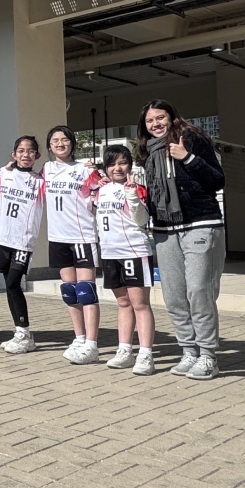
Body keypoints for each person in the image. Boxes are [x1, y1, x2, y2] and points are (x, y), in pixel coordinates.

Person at [136, 99, 226, 381]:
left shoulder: (192, 139)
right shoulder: (147, 152)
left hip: (200, 224)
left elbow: (217, 180)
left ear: (172, 117)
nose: (155, 124)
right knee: (174, 295)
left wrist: (187, 157)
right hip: (164, 229)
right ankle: (188, 351)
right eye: (150, 121)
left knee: (198, 291)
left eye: (160, 118)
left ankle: (208, 355)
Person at [92, 145, 157, 376]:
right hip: (110, 253)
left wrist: (132, 195)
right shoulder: (101, 190)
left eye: (122, 163)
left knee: (140, 304)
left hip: (134, 251)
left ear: (130, 165)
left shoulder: (138, 188)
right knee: (122, 303)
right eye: (112, 164)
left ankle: (146, 354)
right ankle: (125, 350)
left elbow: (142, 220)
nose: (117, 168)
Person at [42, 125, 103, 364]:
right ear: (49, 146)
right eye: (55, 140)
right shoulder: (46, 169)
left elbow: (102, 193)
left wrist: (100, 174)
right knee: (69, 291)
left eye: (64, 139)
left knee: (86, 290)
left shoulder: (85, 169)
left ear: (72, 143)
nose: (60, 144)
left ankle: (92, 344)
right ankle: (79, 338)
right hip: (58, 237)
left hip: (81, 236)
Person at [0, 136, 45, 355]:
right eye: (21, 151)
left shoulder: (41, 181)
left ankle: (25, 333)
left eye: (30, 151)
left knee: (13, 283)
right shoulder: (3, 174)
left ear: (37, 155)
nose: (25, 154)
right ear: (14, 154)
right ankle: (19, 331)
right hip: (3, 239)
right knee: (9, 286)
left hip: (23, 241)